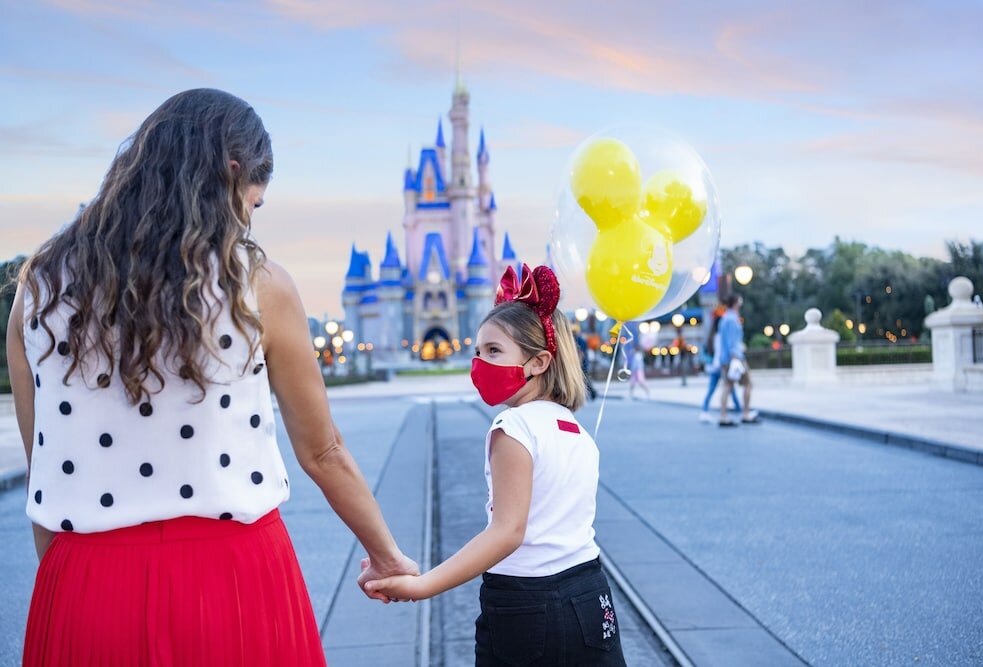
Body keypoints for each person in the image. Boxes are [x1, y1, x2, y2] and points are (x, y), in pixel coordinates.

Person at [6, 89, 417, 666]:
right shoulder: (258, 285)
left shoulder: (39, 288)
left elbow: (45, 469)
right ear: (231, 173)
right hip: (234, 581)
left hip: (85, 583)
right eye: (254, 203)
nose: (249, 220)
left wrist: (69, 588)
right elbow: (323, 451)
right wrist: (387, 556)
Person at [364, 264, 627, 666]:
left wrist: (422, 586)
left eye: (493, 351)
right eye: (477, 351)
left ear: (538, 362)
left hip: (527, 606)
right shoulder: (574, 428)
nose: (479, 362)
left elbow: (507, 532)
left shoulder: (514, 427)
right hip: (591, 594)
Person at [718, 294, 759, 426]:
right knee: (748, 384)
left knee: (727, 385)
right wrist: (735, 357)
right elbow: (732, 341)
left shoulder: (726, 318)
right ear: (736, 303)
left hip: (726, 358)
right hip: (735, 357)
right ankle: (745, 414)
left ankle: (723, 416)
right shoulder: (732, 319)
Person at [699, 310, 742, 422]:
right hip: (721, 365)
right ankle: (740, 411)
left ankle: (704, 411)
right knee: (730, 388)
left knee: (712, 389)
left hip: (713, 367)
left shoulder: (711, 337)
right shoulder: (720, 337)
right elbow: (720, 352)